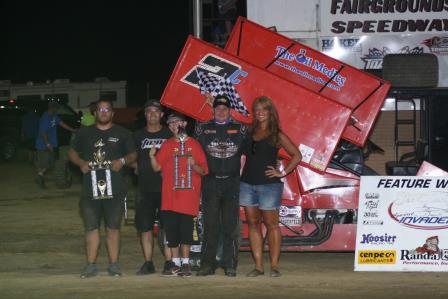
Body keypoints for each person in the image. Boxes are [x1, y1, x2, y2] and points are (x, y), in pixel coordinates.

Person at [68, 99, 137, 278]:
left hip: (114, 189)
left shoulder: (123, 133)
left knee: (113, 227)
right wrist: (81, 162)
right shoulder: (84, 133)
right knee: (91, 227)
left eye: (107, 109)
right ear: (95, 113)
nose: (104, 112)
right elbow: (72, 152)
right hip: (89, 190)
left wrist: (121, 161)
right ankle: (90, 265)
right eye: (100, 109)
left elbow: (133, 154)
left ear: (112, 113)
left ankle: (114, 265)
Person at [240, 96, 302, 278]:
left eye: (263, 109)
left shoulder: (277, 134)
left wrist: (282, 173)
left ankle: (274, 266)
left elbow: (297, 155)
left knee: (272, 225)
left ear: (270, 111)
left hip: (269, 186)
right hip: (247, 183)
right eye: (256, 109)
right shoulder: (249, 132)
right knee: (252, 224)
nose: (259, 113)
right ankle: (258, 267)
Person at [149, 112, 208, 277]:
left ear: (185, 123)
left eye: (178, 122)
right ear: (169, 127)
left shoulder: (195, 145)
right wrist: (152, 157)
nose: (176, 126)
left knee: (186, 233)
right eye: (172, 124)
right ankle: (174, 264)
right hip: (169, 198)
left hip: (188, 199)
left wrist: (194, 164)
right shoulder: (167, 145)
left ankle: (186, 263)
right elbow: (156, 168)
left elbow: (203, 170)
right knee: (172, 233)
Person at [195, 95, 248, 277]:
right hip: (210, 182)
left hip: (232, 183)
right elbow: (194, 152)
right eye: (218, 108)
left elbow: (250, 152)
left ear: (230, 110)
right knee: (210, 225)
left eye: (225, 108)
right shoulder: (203, 129)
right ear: (213, 109)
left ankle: (229, 264)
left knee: (230, 225)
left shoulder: (240, 129)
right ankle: (207, 264)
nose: (221, 111)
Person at [131, 100, 173, 275]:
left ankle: (169, 261)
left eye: (156, 111)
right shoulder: (138, 135)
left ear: (162, 115)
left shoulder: (169, 134)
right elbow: (129, 155)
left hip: (166, 189)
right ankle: (148, 262)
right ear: (145, 114)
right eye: (149, 111)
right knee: (145, 227)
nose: (153, 114)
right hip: (145, 189)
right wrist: (135, 166)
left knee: (167, 227)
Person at [35, 101, 76, 188]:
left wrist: (73, 130)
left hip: (51, 144)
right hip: (43, 145)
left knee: (50, 162)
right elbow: (43, 132)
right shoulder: (45, 117)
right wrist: (47, 144)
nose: (58, 110)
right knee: (45, 163)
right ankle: (40, 179)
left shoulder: (54, 116)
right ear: (53, 108)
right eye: (57, 108)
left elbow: (62, 124)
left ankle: (40, 176)